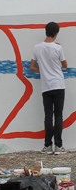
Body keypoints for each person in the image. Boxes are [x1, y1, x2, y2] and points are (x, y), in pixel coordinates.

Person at [30, 22, 67, 155]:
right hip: (58, 84)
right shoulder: (58, 48)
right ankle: (58, 146)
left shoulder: (37, 47)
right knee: (58, 115)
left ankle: (47, 146)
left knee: (48, 115)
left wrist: (44, 71)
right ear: (56, 33)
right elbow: (65, 66)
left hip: (46, 86)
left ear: (46, 31)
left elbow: (32, 67)